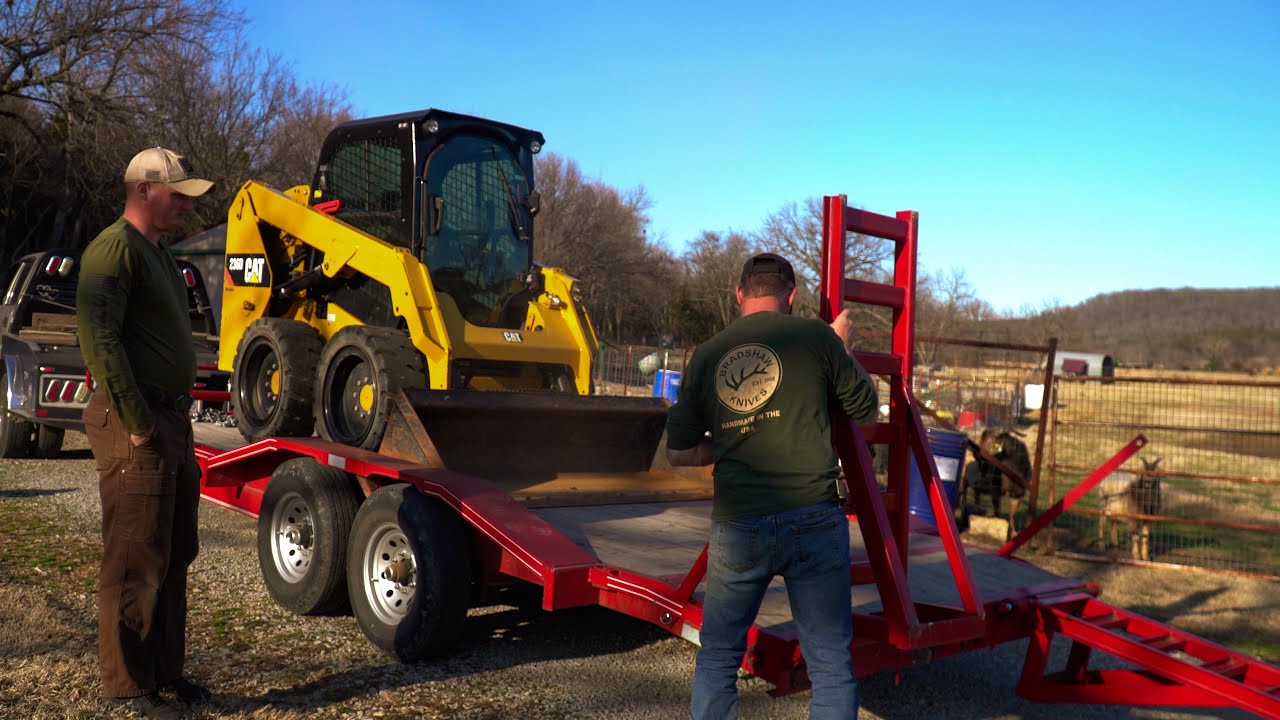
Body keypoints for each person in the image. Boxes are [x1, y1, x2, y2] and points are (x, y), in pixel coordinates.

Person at [665, 252, 878, 720]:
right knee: (830, 666)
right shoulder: (817, 338)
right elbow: (867, 411)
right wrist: (842, 349)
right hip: (814, 517)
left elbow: (678, 453)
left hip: (740, 524)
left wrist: (729, 446)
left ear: (740, 294)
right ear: (792, 296)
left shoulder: (707, 354)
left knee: (719, 657)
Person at [76, 147, 216, 720]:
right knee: (136, 554)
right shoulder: (113, 250)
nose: (185, 203)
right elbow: (100, 340)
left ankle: (165, 672)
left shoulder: (158, 253)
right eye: (176, 193)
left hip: (171, 418)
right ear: (142, 191)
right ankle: (130, 686)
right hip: (137, 418)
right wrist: (136, 423)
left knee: (175, 548)